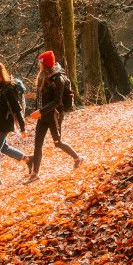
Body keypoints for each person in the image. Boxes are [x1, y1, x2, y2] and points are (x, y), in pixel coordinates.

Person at [28, 49, 82, 180]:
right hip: (42, 117)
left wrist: (40, 111)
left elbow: (57, 101)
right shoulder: (41, 76)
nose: (38, 65)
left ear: (45, 64)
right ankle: (35, 173)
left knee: (57, 143)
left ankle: (77, 158)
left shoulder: (59, 79)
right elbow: (39, 98)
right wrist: (38, 111)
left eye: (40, 62)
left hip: (54, 116)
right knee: (37, 145)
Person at [0, 62, 28, 189]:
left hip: (5, 123)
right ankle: (28, 160)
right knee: (4, 148)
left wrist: (23, 128)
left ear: (0, 72)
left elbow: (17, 109)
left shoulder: (8, 88)